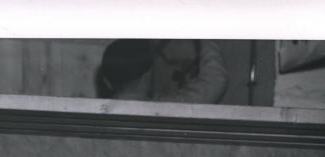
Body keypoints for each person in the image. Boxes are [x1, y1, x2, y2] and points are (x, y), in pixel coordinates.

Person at [96, 39, 228, 104]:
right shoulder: (165, 109)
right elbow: (215, 80)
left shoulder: (98, 115)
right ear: (147, 75)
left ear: (106, 81)